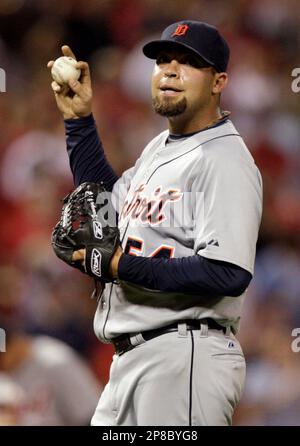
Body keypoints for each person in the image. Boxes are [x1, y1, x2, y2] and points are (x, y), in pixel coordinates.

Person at [48, 20, 263, 426]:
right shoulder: (159, 148)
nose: (170, 69)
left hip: (183, 357)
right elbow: (109, 205)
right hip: (135, 360)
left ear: (218, 82)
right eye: (163, 60)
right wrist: (78, 121)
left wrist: (116, 266)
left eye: (188, 63)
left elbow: (228, 273)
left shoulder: (224, 160)